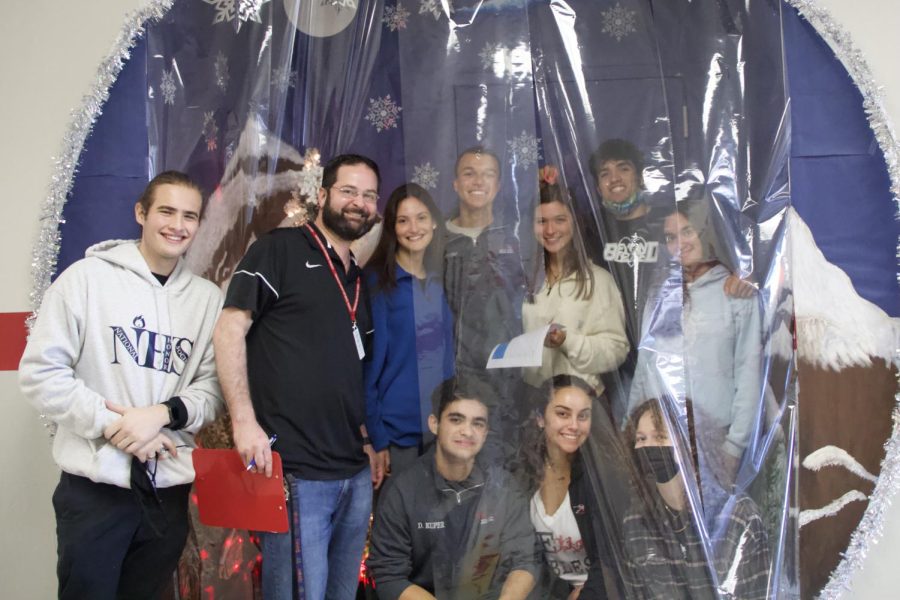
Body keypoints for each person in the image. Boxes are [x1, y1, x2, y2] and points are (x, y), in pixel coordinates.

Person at [18, 171, 224, 599]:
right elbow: (41, 374)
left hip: (167, 490)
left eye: (190, 216)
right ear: (141, 213)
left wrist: (162, 415)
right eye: (166, 211)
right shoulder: (87, 279)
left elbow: (211, 390)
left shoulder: (208, 299)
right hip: (95, 491)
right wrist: (118, 428)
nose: (177, 225)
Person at [213, 154, 382, 599]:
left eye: (368, 196)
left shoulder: (358, 280)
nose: (358, 203)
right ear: (323, 195)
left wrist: (365, 437)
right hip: (297, 474)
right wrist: (243, 421)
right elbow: (230, 329)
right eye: (348, 191)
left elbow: (351, 369)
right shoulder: (278, 250)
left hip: (353, 472)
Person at [629, 203, 763, 496]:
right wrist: (630, 429)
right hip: (658, 442)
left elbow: (749, 373)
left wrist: (734, 446)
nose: (680, 243)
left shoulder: (736, 293)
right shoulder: (661, 295)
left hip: (713, 441)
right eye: (670, 237)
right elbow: (645, 365)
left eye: (687, 230)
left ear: (707, 232)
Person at [368, 377, 540, 599]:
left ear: (486, 432)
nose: (467, 431)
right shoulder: (403, 490)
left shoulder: (502, 485)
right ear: (434, 424)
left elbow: (525, 561)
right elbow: (389, 577)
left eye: (477, 423)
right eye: (456, 420)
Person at [622, 398, 771, 599]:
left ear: (690, 443)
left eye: (660, 437)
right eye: (640, 439)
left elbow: (757, 594)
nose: (648, 446)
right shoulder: (636, 521)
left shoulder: (736, 516)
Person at [364, 183, 455, 477]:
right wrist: (377, 438)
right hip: (396, 437)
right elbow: (367, 369)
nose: (413, 228)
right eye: (403, 220)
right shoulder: (379, 285)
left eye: (421, 217)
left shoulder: (444, 279)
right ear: (392, 228)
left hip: (443, 431)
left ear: (435, 222)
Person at [443, 146, 526, 456]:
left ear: (500, 184)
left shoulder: (518, 237)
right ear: (455, 183)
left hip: (510, 386)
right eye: (469, 173)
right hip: (453, 385)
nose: (478, 181)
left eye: (488, 174)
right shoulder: (436, 239)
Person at [523, 165, 629, 403]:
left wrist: (568, 341)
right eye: (542, 221)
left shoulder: (598, 281)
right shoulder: (524, 280)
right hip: (531, 404)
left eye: (560, 220)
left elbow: (616, 349)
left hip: (581, 405)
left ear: (574, 223)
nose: (550, 230)